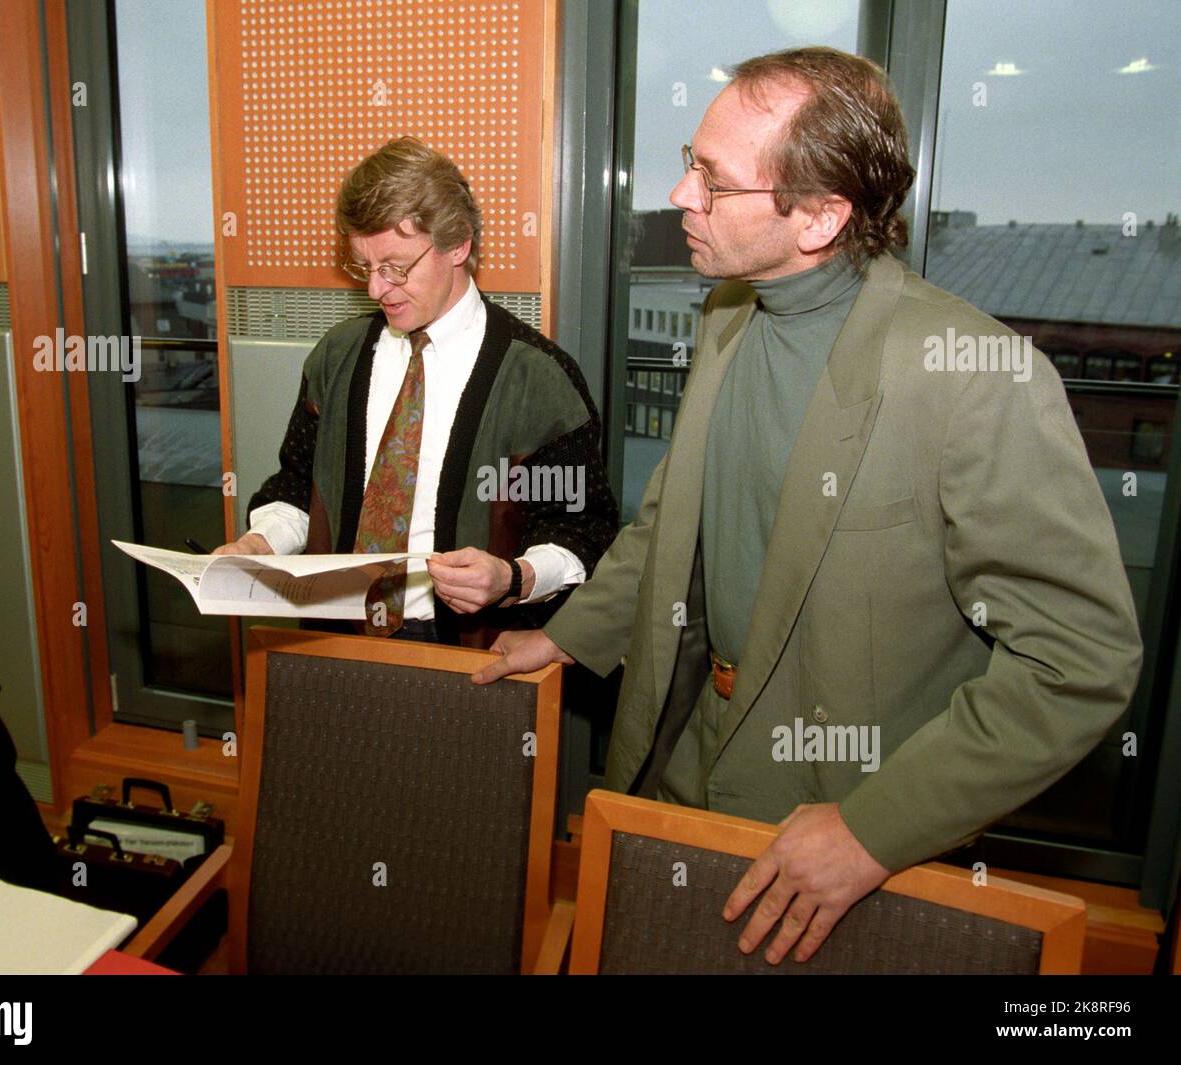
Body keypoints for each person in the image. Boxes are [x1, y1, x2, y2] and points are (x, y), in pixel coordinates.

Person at [475, 47, 1142, 964]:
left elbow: (1081, 661)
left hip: (836, 824)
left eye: (713, 179)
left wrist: (874, 827)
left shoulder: (977, 379)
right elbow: (674, 519)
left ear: (822, 216)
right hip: (679, 762)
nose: (679, 194)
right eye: (689, 160)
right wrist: (568, 633)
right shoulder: (726, 318)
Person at [216, 138, 617, 644]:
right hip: (334, 630)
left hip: (469, 646)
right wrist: (259, 544)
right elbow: (298, 484)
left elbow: (578, 528)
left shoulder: (534, 379)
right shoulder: (338, 358)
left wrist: (514, 578)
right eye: (364, 266)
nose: (375, 289)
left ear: (459, 246)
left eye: (396, 267)